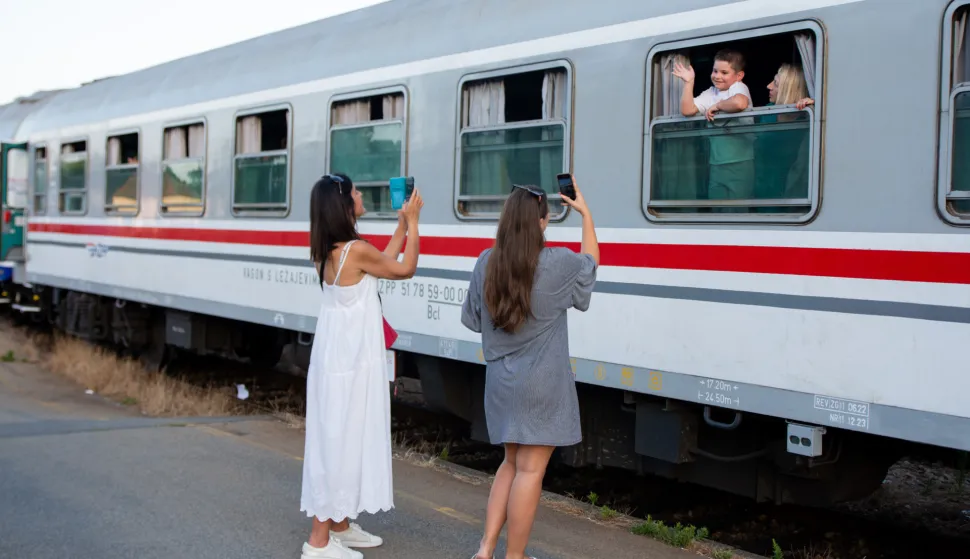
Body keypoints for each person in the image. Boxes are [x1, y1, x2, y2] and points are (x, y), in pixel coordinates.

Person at [461, 179, 599, 559]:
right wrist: (585, 214)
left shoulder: (486, 262)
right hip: (542, 385)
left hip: (501, 383)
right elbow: (591, 266)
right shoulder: (558, 264)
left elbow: (473, 320)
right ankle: (515, 557)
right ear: (542, 222)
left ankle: (486, 549)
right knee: (530, 471)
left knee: (510, 463)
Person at [300, 173, 424, 559]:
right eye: (353, 192)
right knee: (338, 441)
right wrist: (416, 225)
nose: (359, 194)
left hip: (335, 357)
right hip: (349, 362)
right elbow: (403, 268)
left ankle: (338, 524)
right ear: (342, 205)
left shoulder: (331, 249)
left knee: (336, 435)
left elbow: (380, 260)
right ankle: (318, 543)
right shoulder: (354, 251)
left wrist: (401, 224)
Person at [673, 49, 755, 207]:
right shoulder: (711, 92)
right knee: (718, 208)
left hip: (740, 162)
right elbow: (687, 110)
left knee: (739, 210)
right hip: (716, 163)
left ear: (739, 76)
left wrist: (717, 105)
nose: (717, 76)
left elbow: (740, 103)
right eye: (715, 70)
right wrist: (689, 82)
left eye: (724, 72)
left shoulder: (738, 87)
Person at [755, 64, 816, 205]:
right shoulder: (766, 112)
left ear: (788, 90)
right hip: (762, 186)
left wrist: (814, 104)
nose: (768, 86)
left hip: (793, 189)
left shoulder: (806, 116)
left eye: (775, 84)